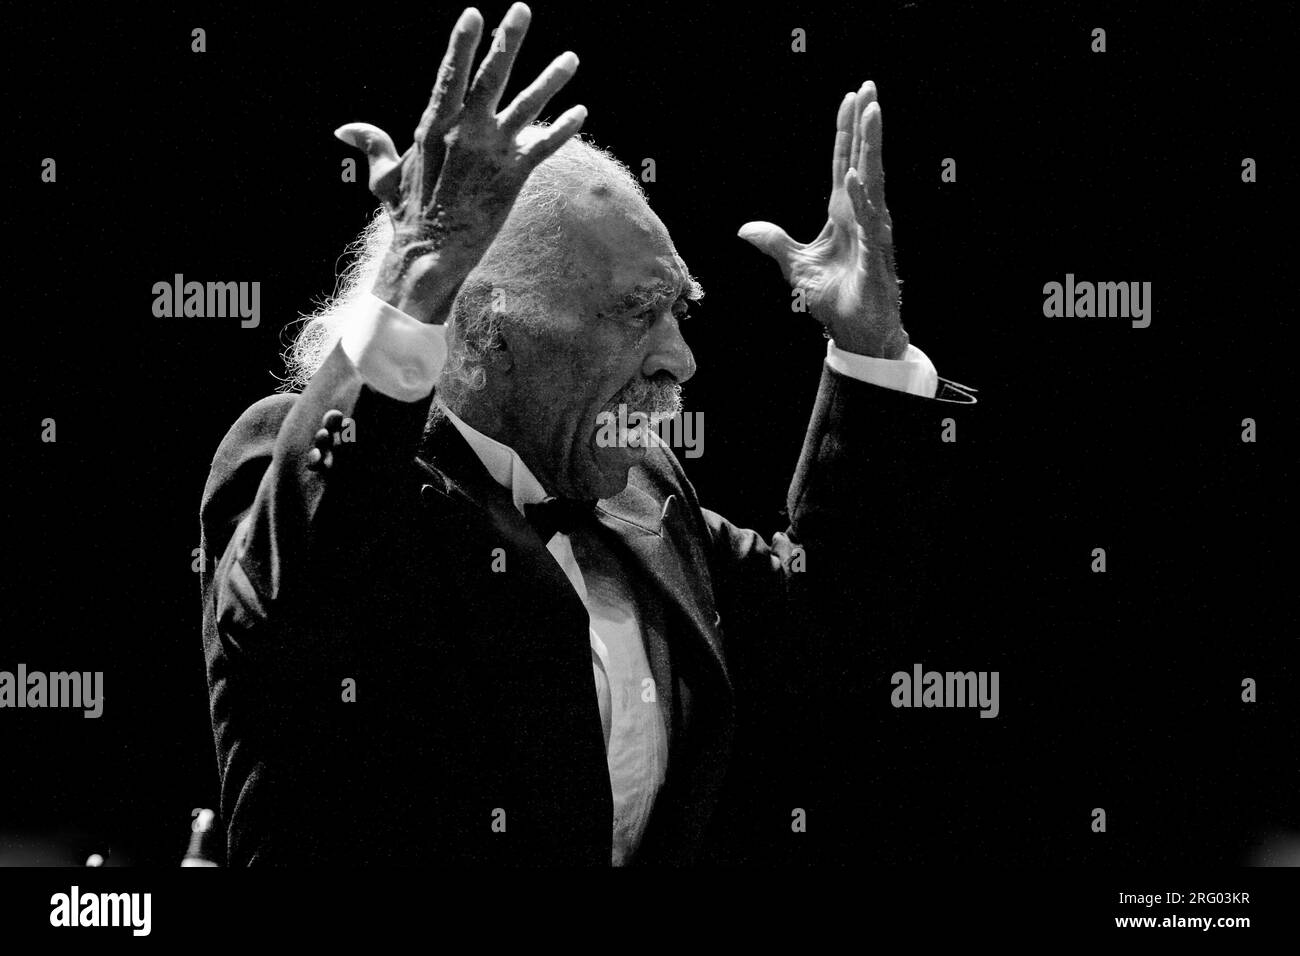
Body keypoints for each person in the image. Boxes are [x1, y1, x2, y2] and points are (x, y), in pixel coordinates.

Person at [199, 3, 976, 866]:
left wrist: (872, 353)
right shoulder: (297, 467)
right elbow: (297, 596)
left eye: (680, 309)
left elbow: (829, 620)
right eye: (637, 314)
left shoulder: (645, 486)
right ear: (487, 327)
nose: (680, 359)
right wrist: (414, 284)